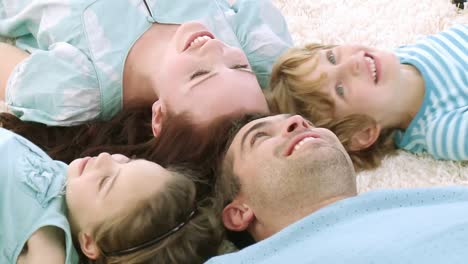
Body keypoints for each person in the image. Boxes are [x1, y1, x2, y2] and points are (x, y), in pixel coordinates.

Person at [0, 0, 292, 136]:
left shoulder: (78, 89)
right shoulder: (254, 48)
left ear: (160, 117)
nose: (215, 50)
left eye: (199, 75)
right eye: (240, 66)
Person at [207, 114, 468, 263]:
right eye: (260, 137)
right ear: (239, 212)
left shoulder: (445, 200)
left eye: (306, 122)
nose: (298, 121)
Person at [0, 127, 223, 263]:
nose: (106, 157)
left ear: (89, 242)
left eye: (105, 182)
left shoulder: (49, 246)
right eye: (128, 160)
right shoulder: (65, 182)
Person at [266, 24, 467, 170]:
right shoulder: (441, 131)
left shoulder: (400, 58)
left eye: (332, 57)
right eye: (340, 89)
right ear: (362, 133)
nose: (352, 62)